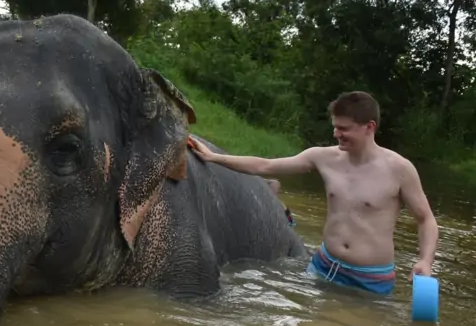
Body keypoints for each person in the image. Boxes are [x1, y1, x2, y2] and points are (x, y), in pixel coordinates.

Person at [187, 91, 438, 295]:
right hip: (322, 267)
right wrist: (213, 157)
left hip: (371, 280)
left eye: (344, 128)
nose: (336, 134)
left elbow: (425, 219)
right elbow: (266, 165)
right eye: (335, 127)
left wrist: (426, 260)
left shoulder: (400, 170)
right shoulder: (323, 157)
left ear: (369, 127)